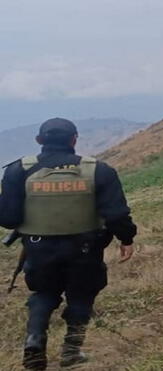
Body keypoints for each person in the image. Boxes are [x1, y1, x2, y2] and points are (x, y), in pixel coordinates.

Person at [0, 118, 137, 370]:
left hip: (38, 247)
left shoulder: (18, 170)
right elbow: (116, 214)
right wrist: (126, 239)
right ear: (74, 139)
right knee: (81, 296)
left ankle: (35, 340)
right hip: (86, 247)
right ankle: (71, 351)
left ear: (39, 140)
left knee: (43, 293)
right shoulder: (99, 170)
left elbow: (8, 218)